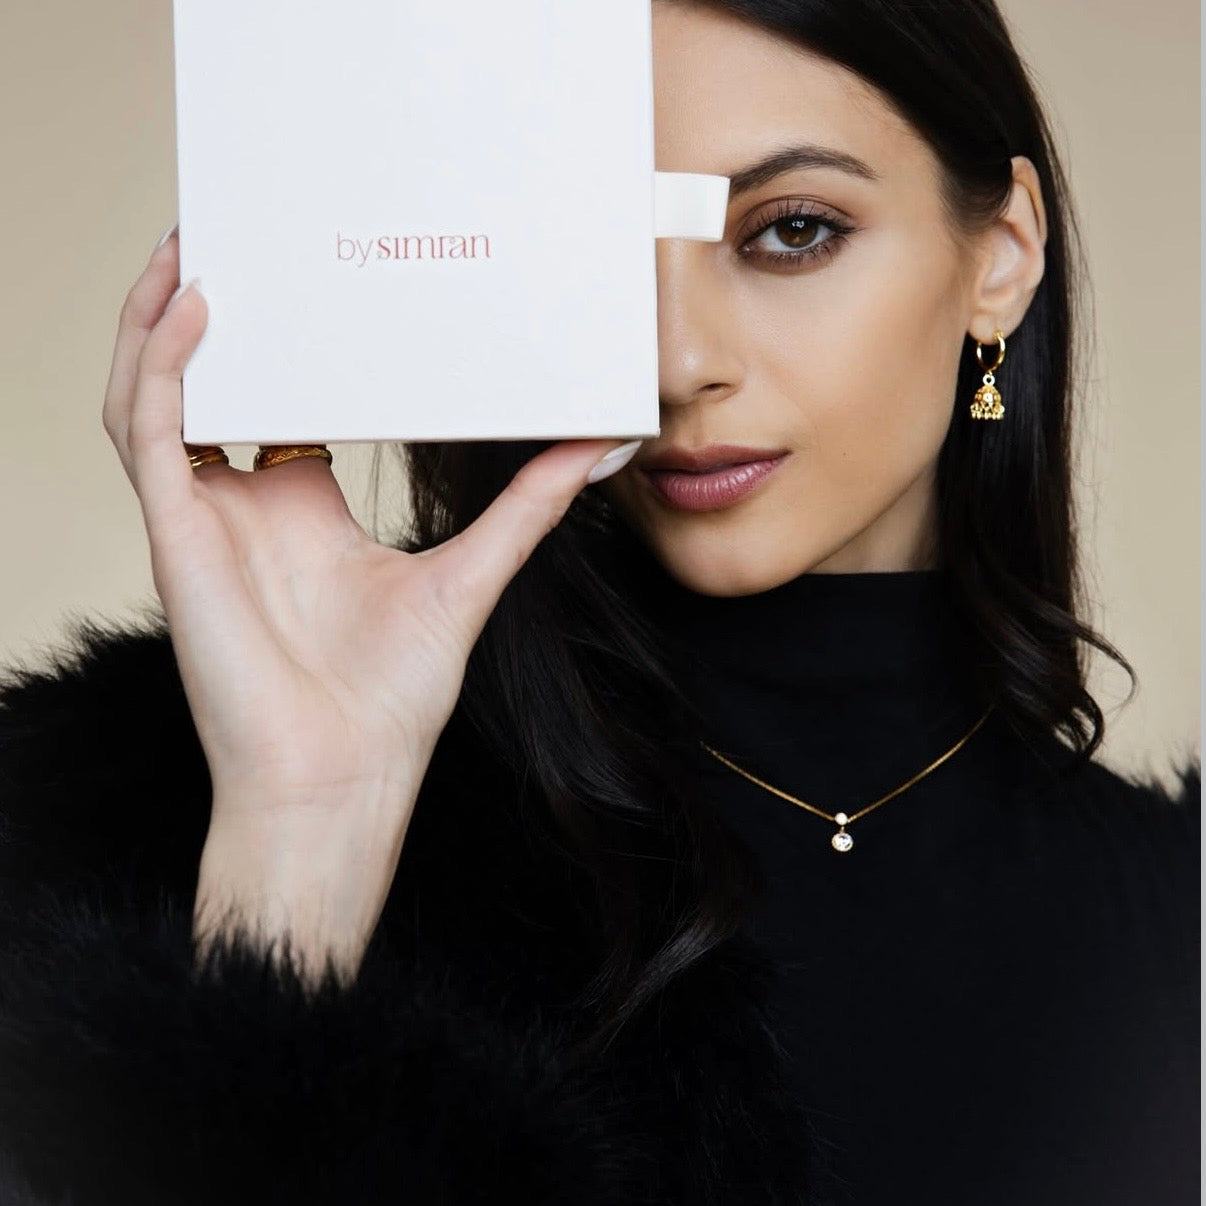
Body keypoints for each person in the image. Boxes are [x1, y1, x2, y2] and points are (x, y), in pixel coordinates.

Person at [0, 1, 1197, 1203]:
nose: (675, 361)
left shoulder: (1174, 920)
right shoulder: (188, 822)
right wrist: (303, 835)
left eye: (790, 232)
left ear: (1001, 256)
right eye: (598, 254)